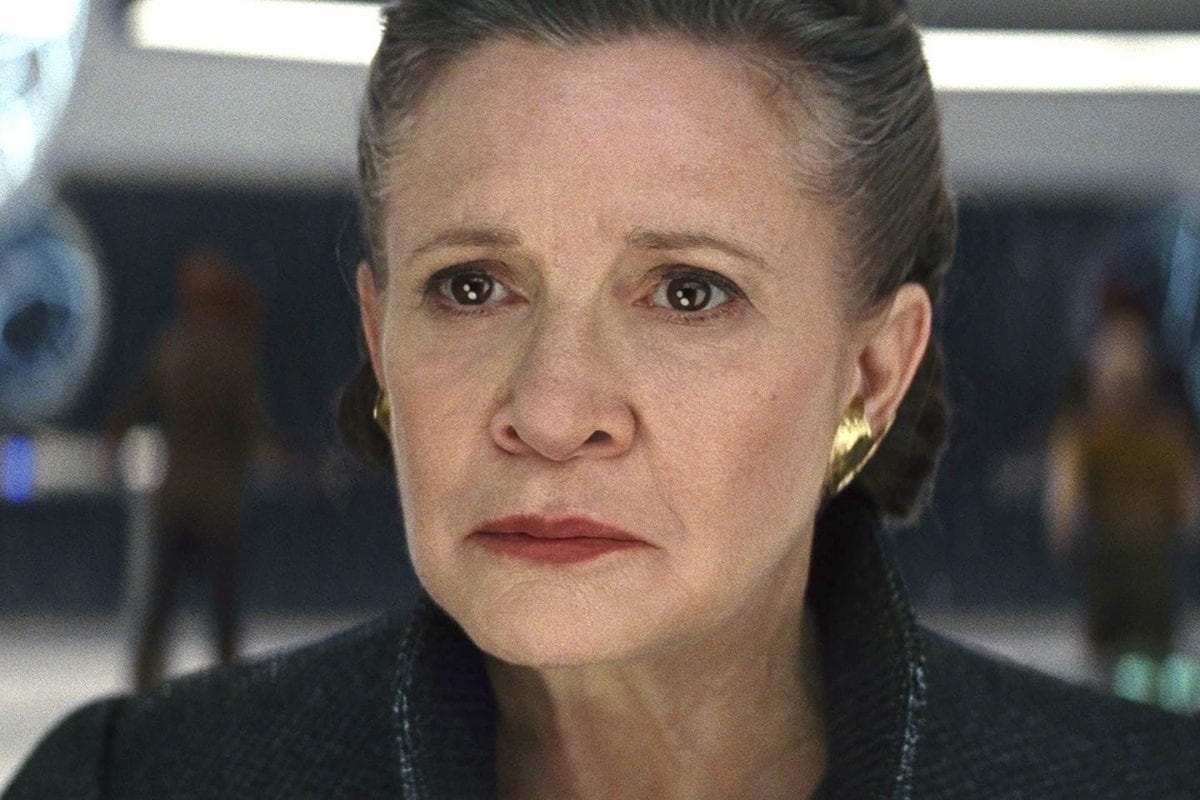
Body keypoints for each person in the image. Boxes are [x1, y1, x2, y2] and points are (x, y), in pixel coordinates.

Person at [7, 1, 1200, 797]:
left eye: (688, 292)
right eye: (472, 285)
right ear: (380, 339)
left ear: (873, 373)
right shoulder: (132, 782)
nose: (550, 407)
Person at [103, 247, 268, 690]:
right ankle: (229, 687)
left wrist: (113, 433)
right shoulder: (233, 349)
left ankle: (144, 688)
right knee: (222, 608)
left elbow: (138, 400)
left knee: (160, 605)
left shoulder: (175, 343)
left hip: (176, 495)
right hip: (218, 500)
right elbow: (251, 424)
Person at [1047, 284, 1199, 708]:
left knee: (1152, 671)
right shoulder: (1086, 435)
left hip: (1151, 572)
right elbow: (1066, 495)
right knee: (1110, 672)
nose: (1122, 363)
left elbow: (1188, 499)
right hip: (1112, 570)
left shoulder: (1165, 433)